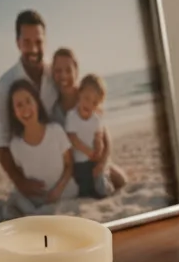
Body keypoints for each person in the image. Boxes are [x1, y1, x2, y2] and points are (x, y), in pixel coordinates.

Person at [40, 47, 129, 193]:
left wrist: (102, 163)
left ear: (76, 71)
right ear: (53, 74)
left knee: (121, 180)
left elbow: (105, 138)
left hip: (96, 161)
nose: (63, 75)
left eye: (68, 70)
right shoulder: (54, 111)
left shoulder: (88, 98)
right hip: (76, 167)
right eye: (58, 71)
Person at [0, 10, 59, 200]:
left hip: (62, 166)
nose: (34, 49)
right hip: (31, 174)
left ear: (45, 41)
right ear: (18, 43)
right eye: (27, 42)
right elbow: (1, 140)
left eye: (38, 42)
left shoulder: (55, 74)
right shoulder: (5, 84)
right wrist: (20, 182)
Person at [3, 79, 77, 217]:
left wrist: (57, 190)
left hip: (64, 192)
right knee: (14, 202)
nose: (25, 109)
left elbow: (69, 165)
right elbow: (22, 174)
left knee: (47, 212)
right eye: (19, 105)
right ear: (14, 112)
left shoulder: (55, 131)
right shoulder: (15, 145)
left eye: (28, 101)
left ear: (36, 102)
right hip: (37, 199)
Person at [64, 74, 114, 198]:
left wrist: (98, 150)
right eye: (86, 98)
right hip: (80, 162)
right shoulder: (72, 116)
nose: (89, 104)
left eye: (94, 102)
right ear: (79, 93)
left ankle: (104, 187)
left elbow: (98, 137)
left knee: (100, 184)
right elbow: (72, 138)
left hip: (94, 159)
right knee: (85, 189)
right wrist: (88, 151)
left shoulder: (96, 119)